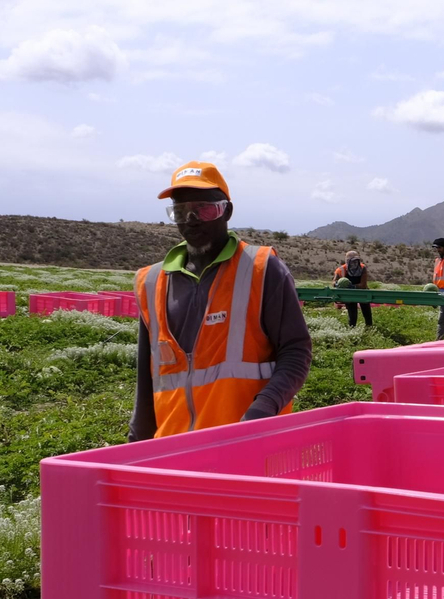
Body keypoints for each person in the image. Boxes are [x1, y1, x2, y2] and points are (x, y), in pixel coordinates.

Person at [129, 161, 310, 442]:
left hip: (250, 443)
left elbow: (296, 351)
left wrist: (262, 410)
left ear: (227, 211)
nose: (192, 219)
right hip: (175, 448)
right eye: (180, 211)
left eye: (204, 208)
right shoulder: (151, 282)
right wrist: (137, 442)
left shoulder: (263, 269)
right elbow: (147, 374)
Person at [333, 250, 372, 328]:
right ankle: (352, 328)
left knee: (366, 311)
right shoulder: (341, 269)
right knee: (352, 313)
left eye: (356, 261)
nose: (355, 263)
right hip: (350, 294)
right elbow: (334, 281)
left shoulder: (362, 268)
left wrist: (353, 286)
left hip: (362, 293)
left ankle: (369, 327)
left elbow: (363, 285)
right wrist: (337, 284)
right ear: (348, 261)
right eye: (352, 261)